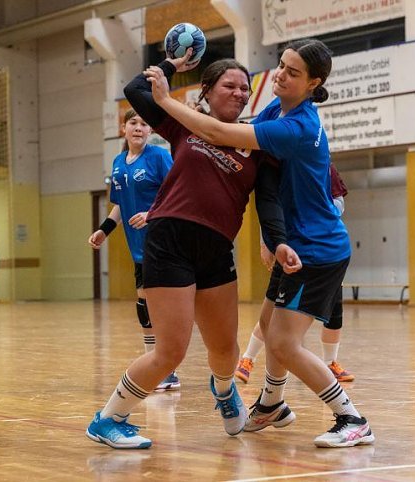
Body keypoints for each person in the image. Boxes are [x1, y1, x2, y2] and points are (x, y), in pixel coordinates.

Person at [148, 39, 374, 448]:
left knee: (284, 344)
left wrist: (166, 99)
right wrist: (275, 238)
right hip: (296, 245)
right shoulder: (277, 108)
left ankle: (351, 417)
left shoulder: (296, 126)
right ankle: (271, 404)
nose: (281, 76)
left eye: (293, 72)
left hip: (317, 249)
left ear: (313, 83)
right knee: (269, 327)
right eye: (281, 66)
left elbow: (217, 131)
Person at [86, 55, 274, 449]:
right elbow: (135, 91)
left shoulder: (256, 141)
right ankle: (109, 419)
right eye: (230, 86)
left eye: (245, 88)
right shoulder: (184, 124)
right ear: (206, 90)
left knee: (225, 347)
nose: (240, 93)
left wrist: (274, 239)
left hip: (217, 247)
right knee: (170, 350)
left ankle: (224, 392)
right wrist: (170, 65)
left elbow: (269, 202)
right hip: (169, 240)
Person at [236, 163, 354, 384]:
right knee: (273, 314)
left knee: (333, 312)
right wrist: (265, 243)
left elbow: (339, 202)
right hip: (290, 252)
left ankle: (331, 364)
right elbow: (269, 209)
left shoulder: (323, 166)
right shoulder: (277, 166)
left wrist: (316, 210)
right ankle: (247, 359)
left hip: (323, 253)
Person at [88, 109, 179, 391]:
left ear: (150, 131)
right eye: (133, 123)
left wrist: (151, 213)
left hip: (163, 240)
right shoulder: (118, 163)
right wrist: (104, 228)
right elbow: (120, 204)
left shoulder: (159, 157)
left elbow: (177, 193)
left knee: (155, 301)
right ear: (123, 128)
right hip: (137, 246)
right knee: (144, 302)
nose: (139, 127)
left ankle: (166, 368)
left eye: (144, 123)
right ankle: (157, 363)